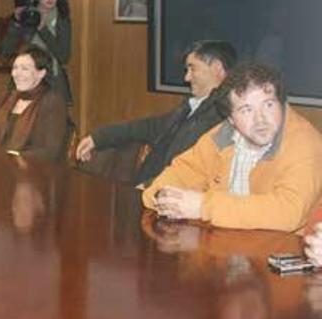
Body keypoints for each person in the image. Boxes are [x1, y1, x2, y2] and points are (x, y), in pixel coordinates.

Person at [142, 62, 322, 232]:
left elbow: (288, 213)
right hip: (225, 246)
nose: (261, 119)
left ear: (282, 104)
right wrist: (163, 197)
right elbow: (180, 174)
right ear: (231, 119)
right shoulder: (221, 137)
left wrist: (203, 206)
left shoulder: (305, 143)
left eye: (268, 105)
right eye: (246, 110)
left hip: (284, 252)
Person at [76, 40, 237, 185]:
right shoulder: (192, 106)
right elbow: (149, 127)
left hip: (165, 198)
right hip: (147, 189)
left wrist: (149, 187)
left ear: (217, 68)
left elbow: (189, 171)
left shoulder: (222, 116)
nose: (187, 78)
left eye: (192, 68)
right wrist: (98, 137)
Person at [0, 46, 67, 160]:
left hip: (28, 170)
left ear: (41, 73)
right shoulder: (4, 99)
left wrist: (12, 158)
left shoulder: (52, 102)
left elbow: (50, 151)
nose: (16, 73)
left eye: (24, 69)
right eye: (15, 68)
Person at [0, 0, 72, 103]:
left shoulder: (61, 18)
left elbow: (64, 57)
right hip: (24, 79)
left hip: (52, 81)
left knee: (53, 117)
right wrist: (16, 23)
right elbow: (5, 51)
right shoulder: (27, 15)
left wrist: (42, 28)